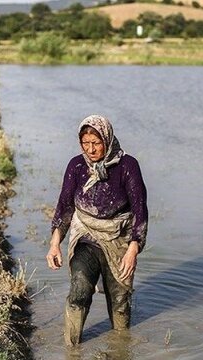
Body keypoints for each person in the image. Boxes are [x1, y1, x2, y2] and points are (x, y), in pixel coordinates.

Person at [46, 114, 148, 346]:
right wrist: (54, 244)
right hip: (86, 236)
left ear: (108, 140)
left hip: (119, 239)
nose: (91, 149)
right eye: (85, 143)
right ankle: (72, 349)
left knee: (119, 299)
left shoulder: (127, 166)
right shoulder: (77, 166)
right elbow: (65, 207)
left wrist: (133, 249)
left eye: (96, 143)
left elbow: (140, 210)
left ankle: (120, 347)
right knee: (79, 291)